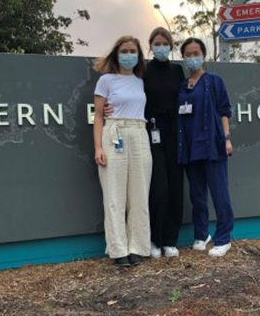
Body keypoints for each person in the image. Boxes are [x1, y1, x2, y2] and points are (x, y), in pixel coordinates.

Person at [93, 36, 152, 267]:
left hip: (139, 132)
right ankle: (118, 250)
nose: (129, 55)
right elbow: (98, 116)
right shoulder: (105, 81)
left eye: (133, 51)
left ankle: (137, 246)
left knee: (139, 194)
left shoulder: (140, 81)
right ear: (117, 54)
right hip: (114, 132)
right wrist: (98, 147)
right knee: (114, 195)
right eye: (125, 51)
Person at [177, 37, 235, 257]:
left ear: (203, 56)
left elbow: (224, 111)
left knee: (219, 192)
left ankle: (223, 238)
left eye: (196, 53)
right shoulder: (182, 86)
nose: (192, 58)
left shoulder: (214, 81)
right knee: (197, 194)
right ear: (183, 58)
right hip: (190, 148)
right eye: (188, 54)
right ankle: (202, 234)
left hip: (213, 145)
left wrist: (227, 138)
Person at [144, 27, 185, 258]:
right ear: (150, 45)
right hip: (151, 131)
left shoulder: (177, 70)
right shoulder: (143, 71)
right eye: (156, 43)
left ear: (170, 46)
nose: (161, 47)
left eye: (165, 43)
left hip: (174, 132)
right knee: (158, 188)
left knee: (176, 187)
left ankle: (170, 240)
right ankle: (154, 239)